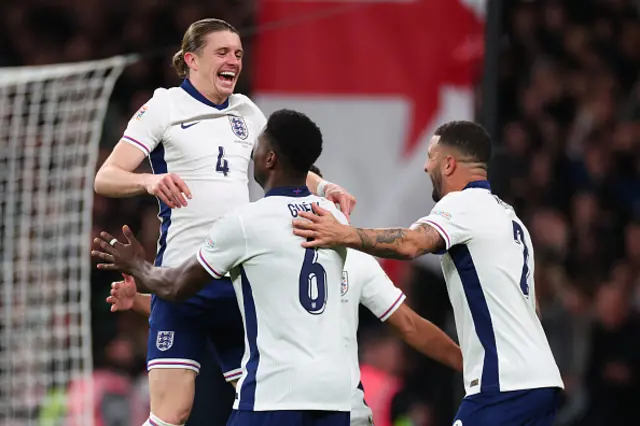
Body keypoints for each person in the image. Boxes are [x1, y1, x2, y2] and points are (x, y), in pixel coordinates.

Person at [93, 18, 356, 426]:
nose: (233, 60)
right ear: (191, 60)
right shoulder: (164, 106)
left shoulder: (245, 110)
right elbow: (105, 177)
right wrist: (150, 179)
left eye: (238, 54)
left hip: (238, 279)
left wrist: (324, 187)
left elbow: (285, 160)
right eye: (222, 52)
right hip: (182, 278)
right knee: (171, 413)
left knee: (265, 401)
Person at [107, 164, 464, 426]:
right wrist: (470, 363)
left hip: (275, 404)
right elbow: (411, 326)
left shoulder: (256, 251)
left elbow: (199, 302)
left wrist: (141, 279)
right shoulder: (356, 258)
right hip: (343, 409)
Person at [292, 120, 565, 426]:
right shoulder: (509, 217)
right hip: (541, 381)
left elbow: (411, 243)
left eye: (430, 157)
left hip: (504, 386)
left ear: (449, 164)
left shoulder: (462, 205)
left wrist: (342, 234)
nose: (425, 167)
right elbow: (532, 309)